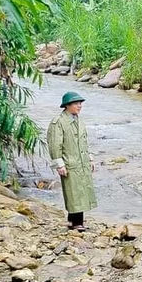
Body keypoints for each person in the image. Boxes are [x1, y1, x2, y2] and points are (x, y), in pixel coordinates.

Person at [47, 91, 97, 232]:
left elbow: (84, 143)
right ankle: (75, 223)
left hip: (81, 162)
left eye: (80, 103)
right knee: (73, 193)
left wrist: (90, 158)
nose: (79, 106)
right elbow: (55, 144)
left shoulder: (79, 120)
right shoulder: (58, 122)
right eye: (76, 103)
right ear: (67, 105)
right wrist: (59, 164)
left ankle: (75, 222)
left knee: (81, 191)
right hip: (70, 163)